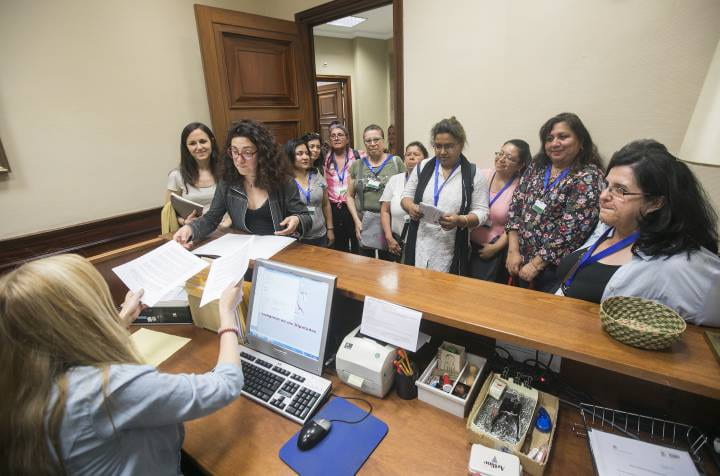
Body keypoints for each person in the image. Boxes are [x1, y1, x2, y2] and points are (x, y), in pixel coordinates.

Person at [0, 254, 244, 474]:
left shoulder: (21, 378)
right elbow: (226, 384)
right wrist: (227, 313)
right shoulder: (105, 386)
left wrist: (122, 319)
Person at [556, 140, 720, 326]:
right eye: (607, 185)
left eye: (620, 190)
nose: (603, 196)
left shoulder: (679, 264)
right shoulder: (608, 228)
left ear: (655, 203)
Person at [505, 112, 605, 292]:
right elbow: (516, 204)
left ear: (581, 140)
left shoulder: (588, 176)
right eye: (549, 139)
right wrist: (513, 250)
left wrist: (536, 264)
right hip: (519, 259)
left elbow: (572, 230)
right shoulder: (538, 166)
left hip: (552, 269)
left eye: (563, 137)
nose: (555, 143)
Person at [173, 120, 311, 248]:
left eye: (247, 152)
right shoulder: (227, 182)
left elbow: (305, 217)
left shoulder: (284, 182)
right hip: (245, 250)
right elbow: (212, 218)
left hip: (278, 250)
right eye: (234, 151)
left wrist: (297, 219)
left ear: (263, 153)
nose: (239, 159)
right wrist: (190, 229)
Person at [401, 117, 489, 274]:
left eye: (449, 146)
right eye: (438, 146)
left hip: (450, 248)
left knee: (445, 293)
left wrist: (461, 220)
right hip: (419, 244)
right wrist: (411, 207)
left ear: (461, 145)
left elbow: (482, 212)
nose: (442, 152)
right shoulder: (422, 167)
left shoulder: (473, 174)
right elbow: (405, 197)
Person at [470, 140, 532, 282]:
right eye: (501, 153)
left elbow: (516, 223)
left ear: (520, 165)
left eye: (509, 158)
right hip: (467, 244)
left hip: (491, 249)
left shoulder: (521, 187)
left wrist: (495, 248)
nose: (501, 159)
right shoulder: (481, 175)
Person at [347, 124, 406, 259]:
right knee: (366, 265)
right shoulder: (357, 165)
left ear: (383, 140)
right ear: (364, 143)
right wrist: (357, 221)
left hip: (390, 223)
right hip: (365, 222)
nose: (372, 144)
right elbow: (349, 196)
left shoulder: (396, 162)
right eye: (368, 141)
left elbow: (405, 191)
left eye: (376, 139)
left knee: (388, 268)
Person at [166, 122, 229, 227]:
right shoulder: (176, 176)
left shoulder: (227, 170)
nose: (199, 147)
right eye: (192, 143)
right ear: (186, 147)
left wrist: (226, 225)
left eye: (203, 141)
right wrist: (185, 222)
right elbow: (169, 212)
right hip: (195, 232)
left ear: (212, 142)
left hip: (228, 231)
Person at [380, 141, 428, 259]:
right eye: (408, 154)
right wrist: (389, 237)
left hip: (421, 245)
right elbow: (385, 211)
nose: (411, 157)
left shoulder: (431, 183)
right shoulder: (395, 180)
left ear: (425, 159)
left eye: (416, 154)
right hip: (397, 242)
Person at [323, 123, 364, 253]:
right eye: (333, 136)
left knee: (359, 246)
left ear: (347, 139)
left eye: (340, 135)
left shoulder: (359, 156)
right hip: (334, 208)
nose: (336, 138)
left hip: (354, 207)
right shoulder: (324, 158)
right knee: (339, 248)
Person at [286, 138, 334, 247]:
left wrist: (330, 229)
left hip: (321, 234)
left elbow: (326, 204)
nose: (305, 157)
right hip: (297, 238)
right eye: (299, 154)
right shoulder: (285, 181)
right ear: (290, 156)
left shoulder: (317, 175)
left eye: (307, 153)